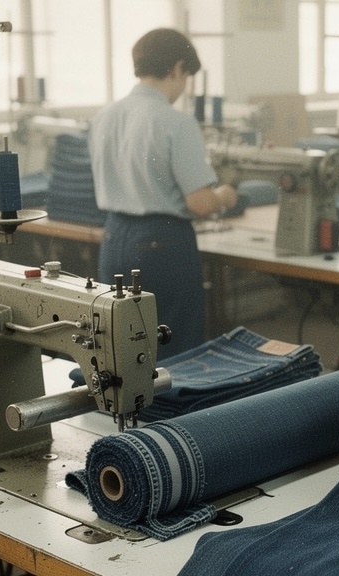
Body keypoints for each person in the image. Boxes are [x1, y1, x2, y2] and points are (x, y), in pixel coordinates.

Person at [90, 28, 237, 360]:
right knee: (175, 351)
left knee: (122, 348)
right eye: (186, 77)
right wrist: (226, 195)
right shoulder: (176, 123)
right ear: (177, 68)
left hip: (113, 238)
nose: (184, 87)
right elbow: (200, 203)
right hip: (163, 245)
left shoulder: (103, 117)